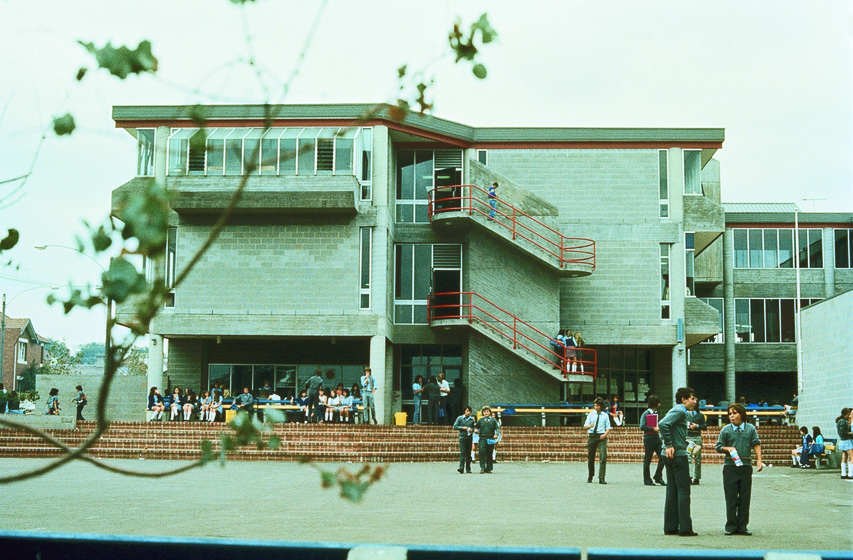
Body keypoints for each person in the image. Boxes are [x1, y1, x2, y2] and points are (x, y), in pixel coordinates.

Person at [715, 403, 763, 536]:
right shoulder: (726, 430)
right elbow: (718, 446)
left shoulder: (750, 429)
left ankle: (743, 526)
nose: (732, 416)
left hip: (745, 467)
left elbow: (756, 444)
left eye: (734, 413)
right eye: (730, 414)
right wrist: (728, 448)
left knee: (744, 497)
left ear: (741, 414)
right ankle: (731, 525)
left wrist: (759, 460)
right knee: (731, 497)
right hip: (730, 467)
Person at [659, 387, 698, 536]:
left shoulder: (677, 411)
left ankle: (670, 526)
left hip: (671, 453)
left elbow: (671, 428)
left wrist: (681, 441)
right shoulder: (680, 411)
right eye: (692, 398)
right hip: (678, 455)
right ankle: (685, 527)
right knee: (683, 490)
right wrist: (669, 444)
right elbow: (663, 424)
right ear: (683, 399)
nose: (695, 401)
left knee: (672, 490)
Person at [583, 397, 611, 484]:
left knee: (603, 457)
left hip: (601, 436)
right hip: (592, 436)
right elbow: (585, 426)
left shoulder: (605, 416)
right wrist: (590, 426)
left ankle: (601, 477)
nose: (596, 407)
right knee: (591, 457)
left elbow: (608, 428)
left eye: (597, 406)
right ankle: (590, 475)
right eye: (595, 406)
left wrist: (605, 435)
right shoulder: (591, 415)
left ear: (601, 406)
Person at [640, 394, 666, 486]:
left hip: (656, 438)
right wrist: (652, 429)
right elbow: (642, 426)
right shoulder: (646, 413)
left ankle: (658, 476)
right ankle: (647, 479)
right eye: (658, 403)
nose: (659, 405)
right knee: (648, 459)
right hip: (649, 438)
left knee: (663, 457)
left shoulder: (656, 414)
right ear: (655, 404)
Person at [474, 406, 499, 473]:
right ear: (483, 413)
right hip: (482, 438)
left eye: (487, 411)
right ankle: (482, 467)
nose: (486, 413)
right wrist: (475, 430)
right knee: (482, 451)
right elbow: (476, 426)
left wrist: (496, 434)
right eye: (485, 412)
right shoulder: (480, 420)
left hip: (490, 438)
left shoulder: (493, 420)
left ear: (490, 412)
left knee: (489, 453)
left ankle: (489, 468)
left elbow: (497, 428)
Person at [687, 406, 707, 484]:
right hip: (688, 437)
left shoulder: (700, 415)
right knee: (688, 456)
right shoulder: (686, 415)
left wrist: (697, 426)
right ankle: (689, 476)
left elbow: (705, 426)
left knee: (697, 458)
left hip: (697, 437)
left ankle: (697, 477)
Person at [453, 406, 476, 473]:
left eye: (469, 411)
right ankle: (461, 467)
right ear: (464, 411)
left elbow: (474, 427)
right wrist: (462, 427)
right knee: (463, 452)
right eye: (467, 411)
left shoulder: (471, 419)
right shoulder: (460, 418)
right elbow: (455, 426)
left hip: (469, 437)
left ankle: (468, 468)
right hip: (462, 437)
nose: (468, 412)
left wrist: (472, 430)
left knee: (468, 453)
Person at [836, 407, 853, 480]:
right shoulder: (843, 421)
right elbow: (842, 432)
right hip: (846, 440)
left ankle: (843, 473)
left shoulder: (840, 421)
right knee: (852, 456)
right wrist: (849, 433)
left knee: (844, 457)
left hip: (843, 441)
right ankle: (850, 474)